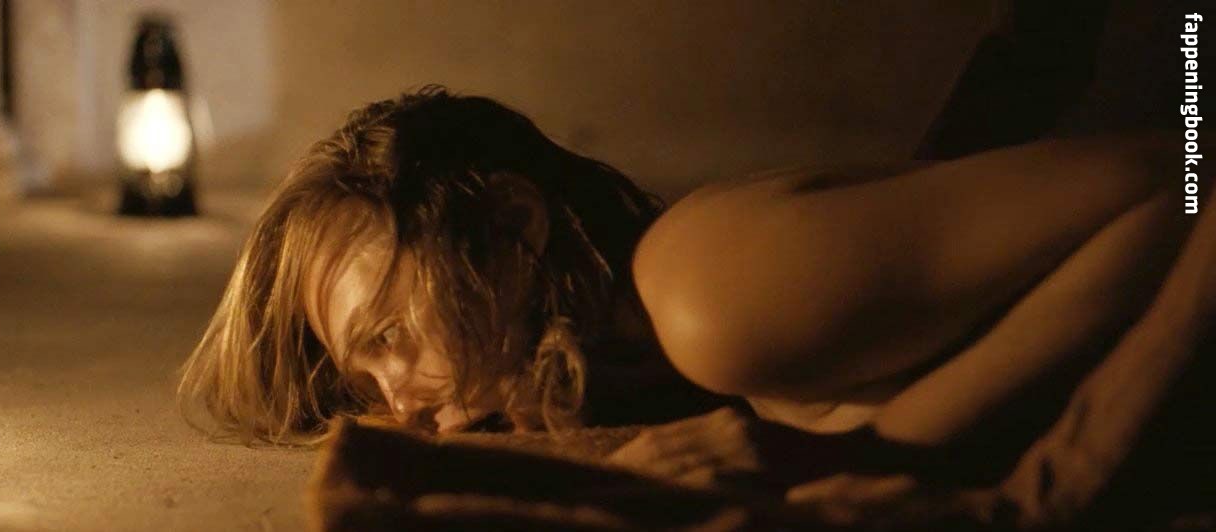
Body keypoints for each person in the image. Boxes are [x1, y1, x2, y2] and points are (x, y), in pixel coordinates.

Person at [178, 86, 1213, 527]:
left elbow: (1182, 176)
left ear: (511, 227)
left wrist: (897, 454)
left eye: (390, 336)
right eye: (363, 376)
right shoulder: (686, 331)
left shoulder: (707, 296)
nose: (396, 400)